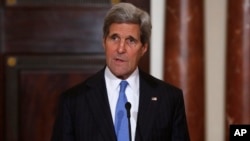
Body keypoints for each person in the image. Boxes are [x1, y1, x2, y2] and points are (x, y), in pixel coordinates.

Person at [51, 2, 190, 141]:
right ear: (104, 42)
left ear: (143, 48)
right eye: (114, 38)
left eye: (130, 40)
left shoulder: (169, 99)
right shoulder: (73, 102)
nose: (120, 49)